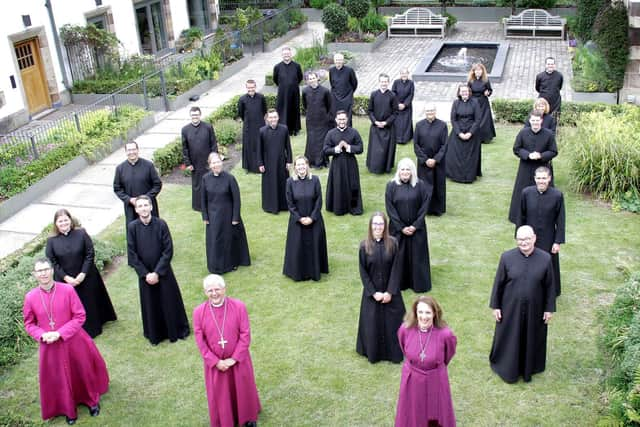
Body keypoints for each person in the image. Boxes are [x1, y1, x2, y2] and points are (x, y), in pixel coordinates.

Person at [23, 258, 109, 425]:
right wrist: (42, 335)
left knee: (82, 371)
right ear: (34, 274)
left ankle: (92, 401)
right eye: (39, 271)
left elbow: (80, 315)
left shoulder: (67, 290)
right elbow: (29, 323)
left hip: (74, 341)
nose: (43, 273)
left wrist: (60, 333)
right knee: (59, 378)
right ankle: (68, 409)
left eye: (46, 269)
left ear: (52, 271)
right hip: (49, 346)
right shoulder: (30, 297)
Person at [489, 225, 555, 383]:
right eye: (520, 239)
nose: (523, 242)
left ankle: (530, 367)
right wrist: (496, 306)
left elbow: (550, 286)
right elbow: (498, 283)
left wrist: (549, 309)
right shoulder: (507, 257)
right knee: (510, 336)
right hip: (510, 308)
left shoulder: (545, 258)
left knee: (532, 335)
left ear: (534, 238)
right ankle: (507, 365)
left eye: (526, 239)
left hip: (536, 309)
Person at [193, 274, 261, 427]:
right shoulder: (198, 312)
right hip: (216, 365)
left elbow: (245, 334)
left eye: (217, 289)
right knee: (221, 394)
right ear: (205, 292)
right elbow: (200, 341)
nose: (214, 293)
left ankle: (248, 418)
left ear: (224, 289)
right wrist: (215, 361)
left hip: (238, 361)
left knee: (243, 389)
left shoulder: (239, 306)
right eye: (210, 290)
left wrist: (234, 358)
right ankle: (225, 420)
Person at [127, 195, 190, 345]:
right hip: (145, 275)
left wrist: (157, 272)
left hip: (163, 272)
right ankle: (156, 333)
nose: (143, 208)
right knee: (151, 303)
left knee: (169, 301)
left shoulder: (161, 224)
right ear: (136, 209)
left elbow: (168, 250)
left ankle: (175, 330)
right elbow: (132, 253)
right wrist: (145, 274)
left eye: (145, 205)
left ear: (151, 207)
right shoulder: (132, 227)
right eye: (140, 206)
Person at [45, 209, 116, 338]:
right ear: (55, 223)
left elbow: (90, 254)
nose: (63, 223)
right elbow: (52, 262)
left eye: (66, 220)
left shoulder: (81, 233)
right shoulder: (51, 241)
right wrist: (67, 278)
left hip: (86, 275)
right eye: (60, 221)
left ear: (70, 220)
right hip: (65, 279)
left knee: (90, 301)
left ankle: (96, 325)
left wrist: (83, 273)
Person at [395, 295, 457, 427]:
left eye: (428, 312)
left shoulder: (445, 334)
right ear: (415, 312)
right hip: (412, 379)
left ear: (435, 313)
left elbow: (448, 355)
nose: (424, 317)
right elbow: (404, 349)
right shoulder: (405, 330)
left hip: (435, 379)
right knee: (411, 413)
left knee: (434, 417)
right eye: (420, 312)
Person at [356, 212, 405, 364]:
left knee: (394, 324)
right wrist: (373, 293)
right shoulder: (364, 246)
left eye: (381, 224)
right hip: (372, 295)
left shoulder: (393, 243)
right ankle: (374, 353)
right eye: (375, 224)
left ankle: (394, 353)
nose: (378, 227)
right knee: (372, 324)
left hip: (391, 293)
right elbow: (363, 272)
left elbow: (397, 269)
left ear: (385, 226)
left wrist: (390, 292)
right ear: (370, 226)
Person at [385, 158, 432, 293]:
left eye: (408, 169)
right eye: (402, 169)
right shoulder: (391, 186)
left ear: (412, 171)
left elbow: (424, 207)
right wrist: (401, 227)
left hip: (417, 230)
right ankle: (399, 283)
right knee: (399, 257)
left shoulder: (421, 186)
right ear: (398, 171)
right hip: (397, 230)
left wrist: (415, 226)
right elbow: (390, 209)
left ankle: (417, 283)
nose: (405, 172)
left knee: (417, 257)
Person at [517, 166, 565, 296]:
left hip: (548, 237)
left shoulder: (557, 195)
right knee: (528, 261)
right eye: (538, 178)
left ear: (549, 179)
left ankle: (550, 291)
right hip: (529, 236)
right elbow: (521, 216)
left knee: (548, 263)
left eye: (544, 178)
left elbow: (560, 220)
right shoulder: (526, 193)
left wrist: (557, 242)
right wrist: (519, 236)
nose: (541, 181)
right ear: (534, 179)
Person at [201, 152, 251, 274]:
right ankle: (217, 266)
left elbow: (236, 199)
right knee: (216, 241)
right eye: (213, 163)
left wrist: (235, 217)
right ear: (210, 165)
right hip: (213, 216)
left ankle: (232, 263)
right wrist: (205, 216)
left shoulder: (230, 178)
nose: (216, 164)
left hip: (228, 215)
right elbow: (203, 200)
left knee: (230, 240)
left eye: (218, 162)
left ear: (221, 162)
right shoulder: (205, 179)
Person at [283, 155, 329, 281]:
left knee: (314, 245)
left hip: (314, 221)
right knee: (298, 247)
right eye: (298, 165)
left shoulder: (315, 180)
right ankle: (299, 272)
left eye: (303, 164)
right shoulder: (290, 182)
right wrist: (299, 218)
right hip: (297, 222)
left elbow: (319, 201)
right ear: (295, 167)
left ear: (307, 166)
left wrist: (312, 218)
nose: (301, 167)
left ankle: (315, 271)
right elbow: (290, 203)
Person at [507, 111, 558, 224]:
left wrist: (541, 155)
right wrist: (527, 155)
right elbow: (516, 149)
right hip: (525, 168)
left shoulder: (549, 134)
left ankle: (544, 217)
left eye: (537, 121)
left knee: (543, 191)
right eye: (533, 120)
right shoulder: (523, 133)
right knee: (522, 191)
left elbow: (554, 151)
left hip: (542, 167)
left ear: (541, 121)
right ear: (530, 121)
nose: (535, 123)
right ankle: (518, 216)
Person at [113, 140, 162, 228]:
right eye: (129, 150)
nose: (131, 152)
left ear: (138, 150)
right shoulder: (120, 169)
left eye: (133, 149)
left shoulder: (148, 165)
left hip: (148, 206)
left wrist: (146, 199)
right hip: (131, 208)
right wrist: (129, 199)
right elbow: (117, 188)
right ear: (126, 152)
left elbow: (157, 185)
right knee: (133, 231)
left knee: (153, 229)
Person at [323, 110, 364, 216]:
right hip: (337, 164)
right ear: (336, 120)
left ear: (347, 119)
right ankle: (339, 208)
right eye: (340, 119)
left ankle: (354, 207)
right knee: (338, 185)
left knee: (353, 185)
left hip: (351, 163)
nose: (342, 121)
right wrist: (337, 148)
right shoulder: (330, 133)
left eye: (344, 119)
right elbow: (325, 150)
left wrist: (348, 147)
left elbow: (360, 148)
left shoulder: (354, 132)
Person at [414, 104, 448, 216]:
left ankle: (437, 209)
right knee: (424, 186)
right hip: (423, 163)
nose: (430, 113)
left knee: (438, 186)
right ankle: (425, 209)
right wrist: (425, 159)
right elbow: (416, 145)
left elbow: (444, 145)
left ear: (435, 111)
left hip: (438, 162)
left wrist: (435, 159)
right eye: (428, 111)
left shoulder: (442, 125)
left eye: (432, 111)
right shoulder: (419, 125)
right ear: (425, 112)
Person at [182, 106, 218, 212]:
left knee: (211, 182)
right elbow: (185, 148)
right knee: (197, 185)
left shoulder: (208, 127)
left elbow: (213, 143)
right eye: (193, 115)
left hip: (208, 162)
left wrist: (214, 159)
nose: (195, 117)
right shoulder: (185, 130)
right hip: (194, 163)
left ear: (200, 115)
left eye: (197, 115)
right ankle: (198, 206)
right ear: (190, 116)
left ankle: (212, 203)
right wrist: (188, 163)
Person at [257, 109, 293, 214]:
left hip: (282, 162)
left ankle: (284, 205)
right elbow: (259, 149)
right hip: (268, 163)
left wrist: (289, 161)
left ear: (278, 118)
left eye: (275, 117)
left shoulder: (284, 129)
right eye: (271, 117)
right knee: (270, 184)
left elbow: (288, 147)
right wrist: (260, 163)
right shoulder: (262, 131)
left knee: (283, 183)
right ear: (267, 119)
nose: (273, 119)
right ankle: (271, 206)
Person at [445, 84, 481, 183]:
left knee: (470, 156)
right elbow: (453, 119)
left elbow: (477, 120)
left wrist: (470, 133)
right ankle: (455, 175)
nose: (464, 93)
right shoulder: (456, 103)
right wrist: (459, 133)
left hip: (472, 132)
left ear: (469, 92)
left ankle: (469, 176)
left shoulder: (475, 102)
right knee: (453, 153)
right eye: (462, 91)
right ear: (459, 93)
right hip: (458, 131)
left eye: (466, 91)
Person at [367, 73, 399, 174]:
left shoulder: (392, 96)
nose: (383, 83)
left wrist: (386, 122)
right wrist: (375, 121)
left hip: (388, 128)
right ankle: (374, 167)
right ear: (379, 82)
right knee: (375, 150)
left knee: (386, 150)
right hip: (375, 127)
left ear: (388, 82)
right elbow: (370, 111)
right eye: (382, 81)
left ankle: (386, 167)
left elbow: (395, 112)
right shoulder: (374, 94)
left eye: (385, 82)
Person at [302, 71, 332, 168]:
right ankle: (311, 161)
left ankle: (322, 161)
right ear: (307, 81)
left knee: (322, 141)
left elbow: (329, 105)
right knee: (311, 140)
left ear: (317, 78)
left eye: (313, 78)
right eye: (310, 79)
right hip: (310, 120)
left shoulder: (325, 91)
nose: (312, 80)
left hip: (323, 120)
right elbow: (305, 105)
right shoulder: (305, 91)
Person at [238, 79, 267, 173]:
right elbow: (241, 113)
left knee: (260, 145)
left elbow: (264, 110)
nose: (251, 89)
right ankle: (249, 167)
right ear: (246, 88)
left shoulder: (261, 97)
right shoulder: (242, 99)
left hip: (260, 125)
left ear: (255, 87)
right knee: (249, 146)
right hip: (248, 126)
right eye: (249, 87)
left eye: (252, 87)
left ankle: (261, 165)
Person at [273, 46, 303, 136]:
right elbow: (275, 79)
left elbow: (300, 78)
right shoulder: (277, 67)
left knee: (294, 110)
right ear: (282, 55)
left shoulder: (297, 66)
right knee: (283, 111)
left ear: (291, 54)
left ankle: (295, 129)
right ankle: (285, 129)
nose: (286, 55)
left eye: (288, 54)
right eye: (284, 54)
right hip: (282, 93)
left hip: (294, 93)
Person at [467, 63, 496, 143]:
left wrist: (488, 93)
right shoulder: (470, 80)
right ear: (473, 72)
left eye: (480, 70)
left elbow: (490, 90)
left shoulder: (485, 80)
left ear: (482, 71)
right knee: (474, 119)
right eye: (476, 70)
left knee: (485, 120)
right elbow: (468, 91)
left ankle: (485, 137)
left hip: (483, 102)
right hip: (473, 102)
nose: (478, 72)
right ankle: (474, 136)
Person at [329, 53, 358, 126]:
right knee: (335, 114)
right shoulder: (331, 70)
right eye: (336, 60)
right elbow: (332, 83)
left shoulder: (349, 70)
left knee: (347, 116)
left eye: (340, 60)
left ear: (343, 61)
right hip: (335, 97)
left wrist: (349, 93)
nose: (338, 62)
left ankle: (347, 131)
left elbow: (354, 83)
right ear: (334, 61)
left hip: (347, 97)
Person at [391, 67, 415, 144]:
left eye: (405, 73)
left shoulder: (411, 83)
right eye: (402, 73)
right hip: (397, 106)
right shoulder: (396, 82)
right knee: (397, 123)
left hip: (407, 107)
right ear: (400, 74)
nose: (404, 75)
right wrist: (398, 104)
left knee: (406, 123)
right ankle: (397, 139)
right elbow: (393, 93)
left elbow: (411, 95)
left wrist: (405, 104)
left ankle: (406, 139)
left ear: (408, 74)